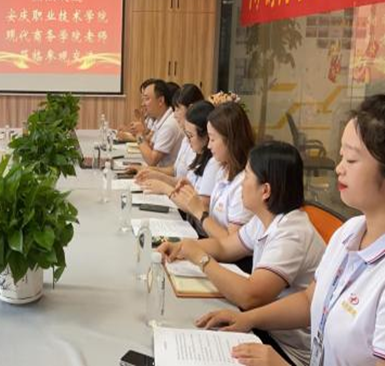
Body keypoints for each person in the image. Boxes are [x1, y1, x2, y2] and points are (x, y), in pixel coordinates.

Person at [196, 95, 385, 366]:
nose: (338, 168)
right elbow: (309, 300)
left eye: (352, 160)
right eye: (341, 156)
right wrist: (247, 319)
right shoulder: (349, 232)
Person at [158, 141, 326, 366]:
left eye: (246, 176)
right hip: (262, 326)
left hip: (286, 350)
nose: (241, 184)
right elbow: (225, 247)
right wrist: (182, 246)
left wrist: (201, 259)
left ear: (265, 191)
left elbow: (250, 296)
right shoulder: (265, 218)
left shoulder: (292, 233)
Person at [170, 101, 255, 239]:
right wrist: (190, 192)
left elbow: (231, 243)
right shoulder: (223, 170)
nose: (209, 146)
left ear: (230, 140)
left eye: (213, 139)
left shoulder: (243, 185)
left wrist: (200, 213)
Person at [136, 85, 214, 195]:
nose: (174, 115)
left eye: (177, 109)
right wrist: (151, 172)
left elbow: (152, 160)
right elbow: (176, 170)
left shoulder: (172, 127)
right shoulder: (187, 138)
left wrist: (139, 135)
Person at [135, 79, 183, 167]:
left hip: (164, 173)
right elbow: (151, 146)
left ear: (161, 101)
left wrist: (139, 135)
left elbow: (152, 161)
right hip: (157, 171)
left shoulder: (169, 124)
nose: (143, 104)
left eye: (147, 99)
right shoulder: (160, 119)